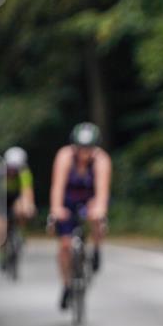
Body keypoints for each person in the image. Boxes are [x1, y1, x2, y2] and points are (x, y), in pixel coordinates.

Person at [49, 123, 111, 310]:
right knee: (65, 245)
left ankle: (97, 249)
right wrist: (56, 208)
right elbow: (57, 187)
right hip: (68, 202)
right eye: (81, 147)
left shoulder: (101, 160)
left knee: (97, 217)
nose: (85, 152)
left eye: (89, 148)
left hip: (89, 200)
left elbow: (102, 191)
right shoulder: (64, 156)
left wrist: (99, 209)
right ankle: (67, 284)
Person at [0, 147, 36, 270]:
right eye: (11, 168)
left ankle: (21, 232)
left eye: (16, 168)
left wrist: (29, 206)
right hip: (1, 197)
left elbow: (27, 191)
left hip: (16, 196)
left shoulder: (24, 173)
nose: (13, 171)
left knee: (23, 209)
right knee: (0, 225)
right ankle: (2, 252)